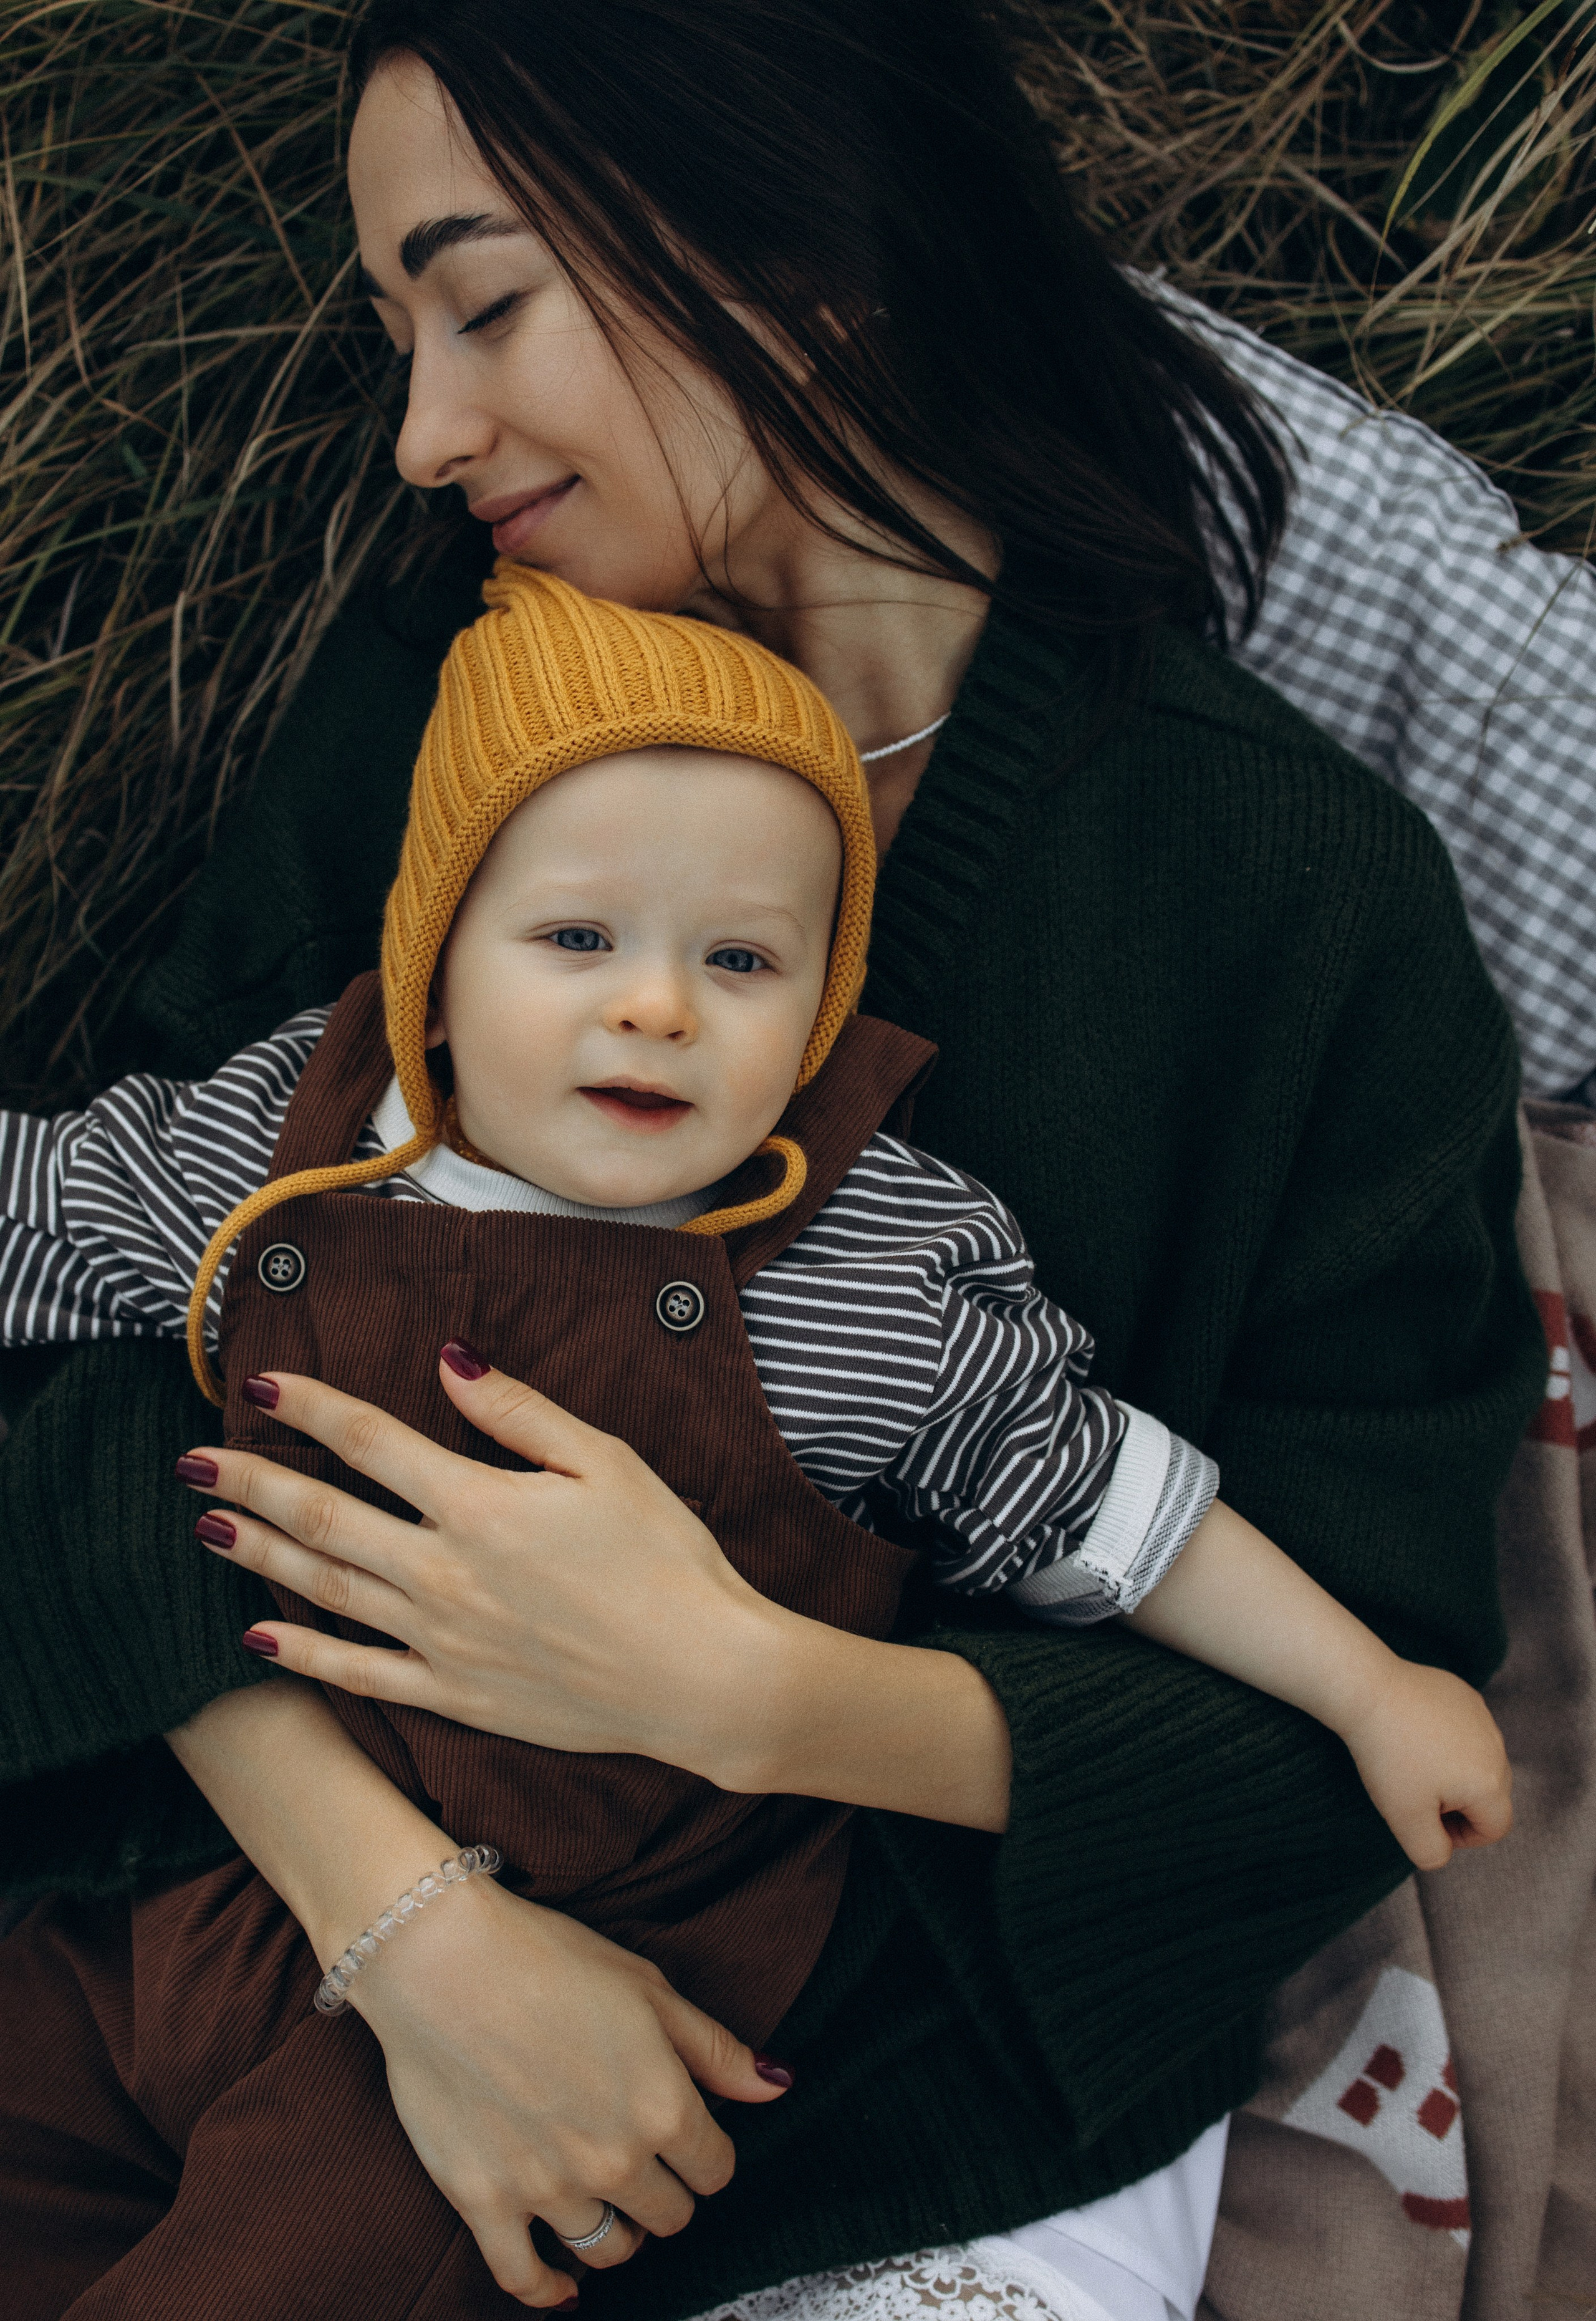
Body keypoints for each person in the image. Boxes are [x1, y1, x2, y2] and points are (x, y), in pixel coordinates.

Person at [0, 5, 1553, 2319]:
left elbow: (1357, 1712)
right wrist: (402, 1924)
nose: (427, 433)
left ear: (796, 238)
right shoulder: (461, 708)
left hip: (865, 2058)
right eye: (398, 333)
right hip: (229, 1885)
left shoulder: (1284, 895)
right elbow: (131, 1299)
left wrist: (743, 1690)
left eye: (486, 299)